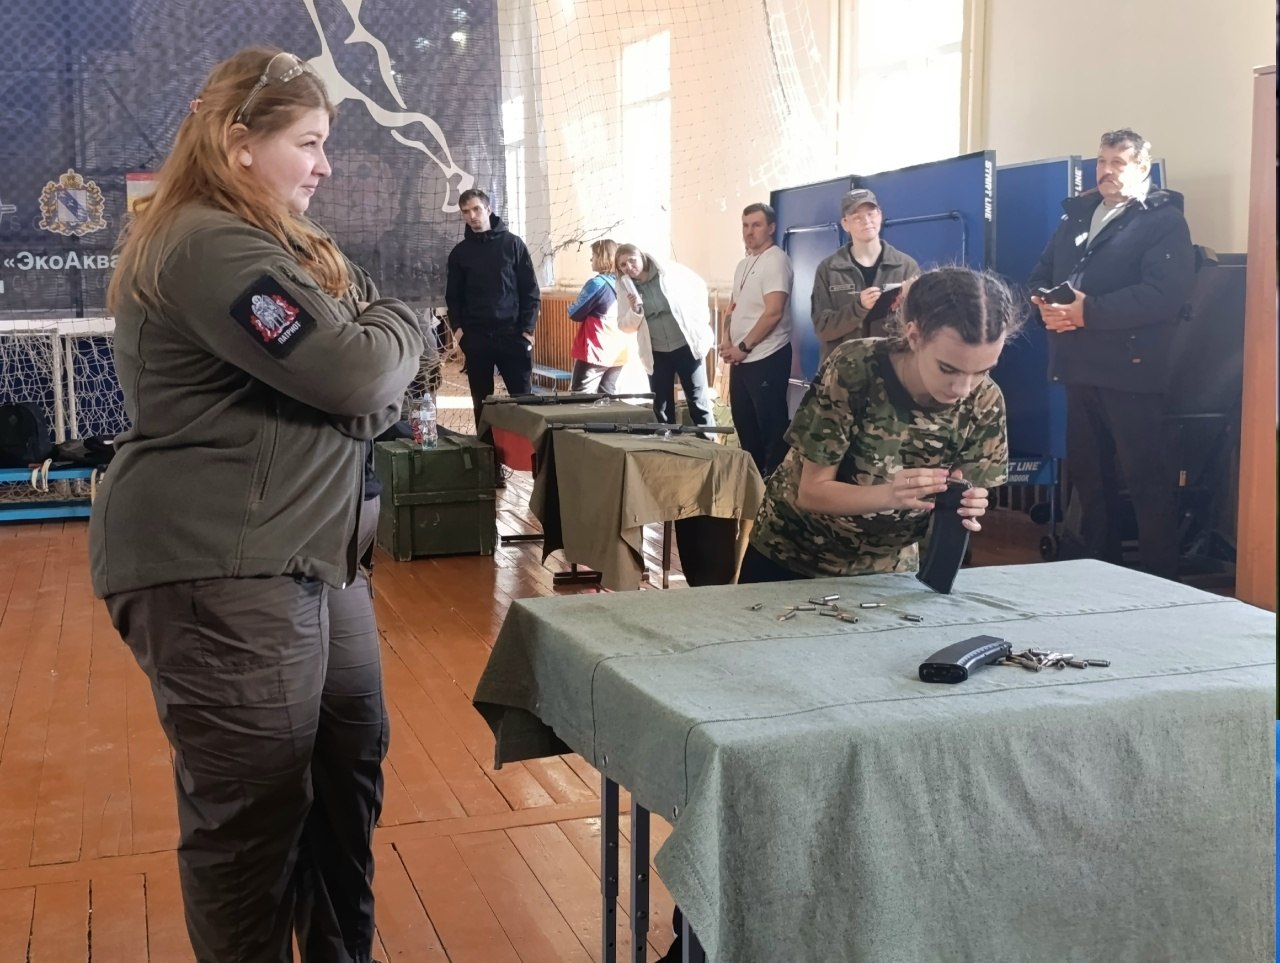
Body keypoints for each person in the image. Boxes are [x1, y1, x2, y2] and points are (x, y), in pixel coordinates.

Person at [88, 48, 425, 963]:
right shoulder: (209, 243)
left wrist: (371, 371)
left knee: (346, 775)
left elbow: (370, 390)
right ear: (239, 142)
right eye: (308, 142)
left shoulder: (278, 241)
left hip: (317, 553)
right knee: (253, 823)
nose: (325, 165)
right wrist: (405, 320)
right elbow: (358, 372)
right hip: (224, 565)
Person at [740, 266, 1018, 583]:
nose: (963, 389)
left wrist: (967, 504)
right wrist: (891, 495)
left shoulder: (985, 400)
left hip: (889, 568)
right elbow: (811, 492)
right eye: (947, 368)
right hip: (792, 552)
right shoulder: (855, 367)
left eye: (982, 371)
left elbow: (965, 492)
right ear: (914, 336)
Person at [1028, 128, 1195, 581]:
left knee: (1147, 482)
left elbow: (1163, 295)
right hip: (1076, 367)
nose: (1105, 171)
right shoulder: (1077, 216)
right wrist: (1047, 308)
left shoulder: (1163, 221)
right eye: (1101, 162)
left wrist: (1089, 312)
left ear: (1141, 168)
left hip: (1131, 372)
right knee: (1091, 482)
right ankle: (1100, 576)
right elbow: (1041, 273)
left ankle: (1162, 584)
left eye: (1117, 162)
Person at [445, 188, 541, 423]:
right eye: (466, 212)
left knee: (524, 402)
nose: (472, 216)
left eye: (476, 209)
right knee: (482, 404)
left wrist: (527, 330)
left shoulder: (513, 244)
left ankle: (528, 447)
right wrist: (459, 331)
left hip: (513, 335)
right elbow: (453, 297)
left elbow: (530, 290)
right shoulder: (459, 254)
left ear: (488, 209)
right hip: (476, 338)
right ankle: (486, 447)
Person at [718, 202, 794, 475]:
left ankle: (774, 487)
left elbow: (773, 313)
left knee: (770, 431)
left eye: (756, 225)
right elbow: (733, 307)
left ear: (771, 228)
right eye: (745, 225)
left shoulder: (775, 260)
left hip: (766, 356)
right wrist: (727, 340)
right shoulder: (744, 264)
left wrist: (743, 346)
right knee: (745, 426)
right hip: (741, 359)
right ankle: (753, 485)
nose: (749, 232)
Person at [811, 188, 920, 364]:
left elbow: (916, 327)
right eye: (857, 217)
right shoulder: (829, 269)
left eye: (871, 214)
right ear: (845, 224)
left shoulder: (906, 266)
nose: (866, 221)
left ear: (880, 215)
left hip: (890, 369)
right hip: (843, 372)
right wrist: (858, 308)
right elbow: (823, 329)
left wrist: (905, 303)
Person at [614, 243, 716, 426]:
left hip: (685, 345)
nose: (629, 267)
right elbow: (624, 325)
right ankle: (668, 442)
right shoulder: (624, 287)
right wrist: (635, 310)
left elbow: (699, 287)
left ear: (641, 257)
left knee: (698, 402)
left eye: (632, 260)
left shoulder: (668, 271)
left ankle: (707, 439)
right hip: (657, 352)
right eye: (623, 265)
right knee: (662, 407)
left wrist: (701, 322)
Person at [567, 238, 631, 392]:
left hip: (597, 350)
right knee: (608, 396)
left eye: (594, 255)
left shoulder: (597, 284)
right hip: (618, 350)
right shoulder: (625, 283)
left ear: (603, 258)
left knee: (581, 396)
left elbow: (575, 313)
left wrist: (571, 308)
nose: (591, 259)